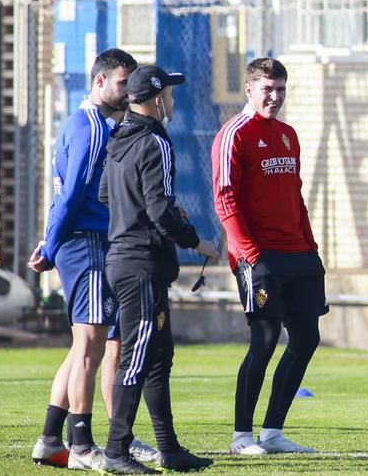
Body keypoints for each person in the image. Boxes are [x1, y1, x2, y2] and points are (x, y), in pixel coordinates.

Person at [29, 49, 160, 469]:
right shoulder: (90, 129)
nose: (127, 92)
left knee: (84, 347)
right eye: (122, 83)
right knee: (91, 346)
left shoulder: (99, 124)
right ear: (100, 81)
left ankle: (51, 439)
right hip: (85, 243)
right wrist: (50, 246)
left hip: (91, 242)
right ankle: (82, 444)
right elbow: (69, 198)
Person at [98, 65, 219, 474]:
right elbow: (159, 210)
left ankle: (168, 449)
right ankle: (116, 451)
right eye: (168, 93)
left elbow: (105, 193)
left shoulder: (118, 137)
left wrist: (144, 212)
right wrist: (195, 240)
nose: (172, 100)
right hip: (141, 265)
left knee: (158, 355)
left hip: (122, 259)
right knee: (136, 357)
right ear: (155, 99)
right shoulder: (154, 141)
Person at [212, 57, 329, 456]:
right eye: (268, 90)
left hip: (298, 253)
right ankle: (241, 436)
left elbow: (295, 197)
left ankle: (273, 431)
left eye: (280, 89)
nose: (275, 97)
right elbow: (224, 199)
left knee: (307, 338)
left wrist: (311, 247)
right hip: (258, 255)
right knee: (263, 339)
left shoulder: (287, 135)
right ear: (250, 89)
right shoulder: (234, 134)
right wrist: (249, 255)